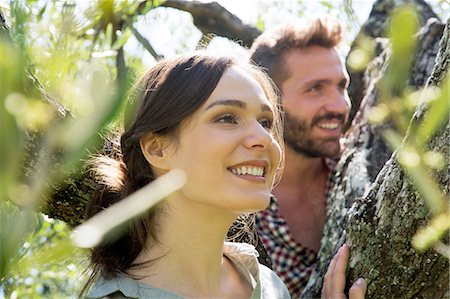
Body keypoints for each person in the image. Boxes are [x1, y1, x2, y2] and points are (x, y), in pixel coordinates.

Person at [81, 52, 365, 298]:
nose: (264, 139)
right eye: (227, 118)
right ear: (157, 149)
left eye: (265, 122)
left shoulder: (269, 286)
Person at [249, 17, 352, 297]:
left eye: (342, 86)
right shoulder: (238, 207)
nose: (340, 105)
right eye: (315, 88)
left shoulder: (367, 169)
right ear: (270, 101)